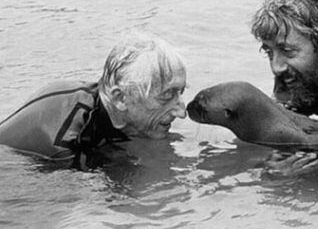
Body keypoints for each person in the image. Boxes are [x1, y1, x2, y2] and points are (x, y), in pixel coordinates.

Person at [0, 35, 187, 170]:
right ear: (120, 98)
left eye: (180, 92)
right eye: (167, 95)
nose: (182, 112)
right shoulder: (62, 140)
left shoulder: (116, 111)